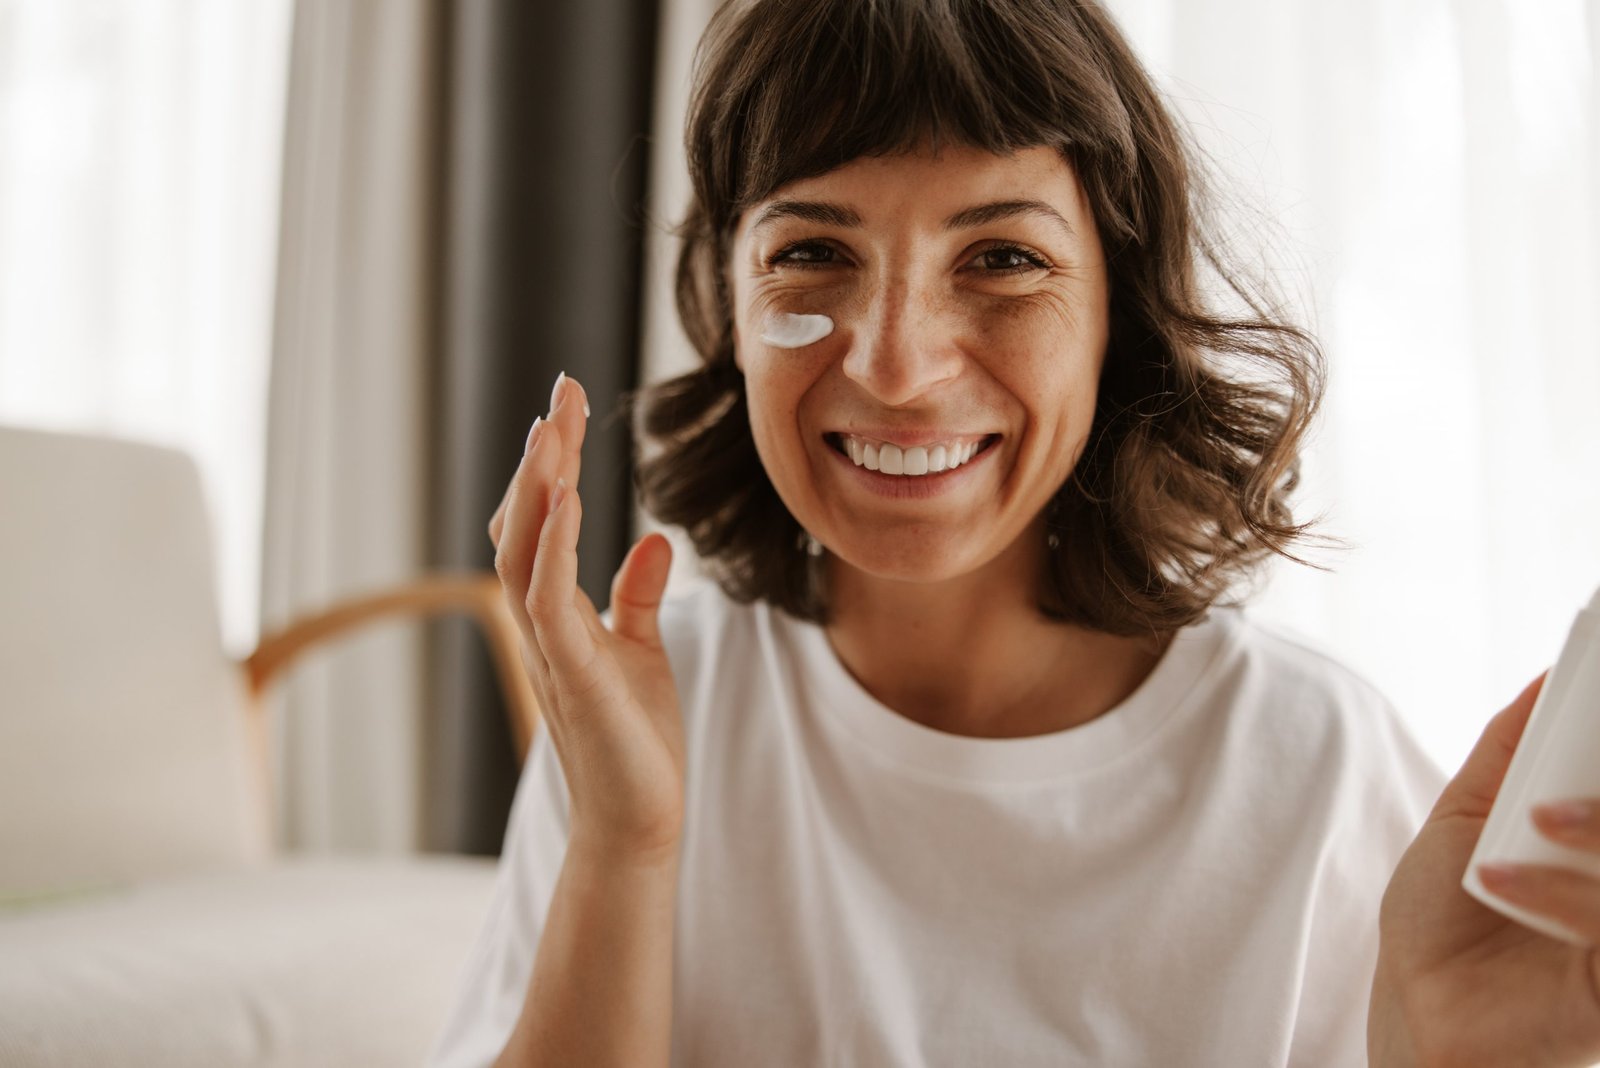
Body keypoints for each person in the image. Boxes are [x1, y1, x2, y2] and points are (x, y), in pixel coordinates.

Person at [431, 1, 1600, 1065]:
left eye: (1001, 258)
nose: (895, 365)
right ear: (728, 305)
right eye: (812, 253)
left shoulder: (1314, 773)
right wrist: (627, 848)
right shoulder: (642, 718)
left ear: (1115, 310)